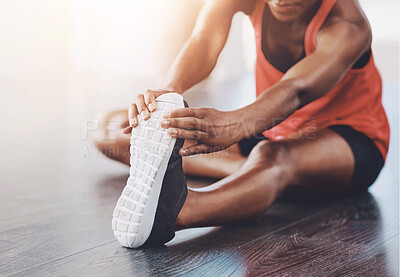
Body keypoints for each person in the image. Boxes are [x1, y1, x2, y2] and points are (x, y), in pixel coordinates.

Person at [95, 0, 390, 240]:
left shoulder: (348, 26)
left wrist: (235, 124)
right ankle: (254, 179)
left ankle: (175, 212)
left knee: (273, 155)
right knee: (109, 128)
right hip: (273, 127)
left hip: (351, 141)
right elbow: (205, 40)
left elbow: (295, 89)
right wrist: (167, 93)